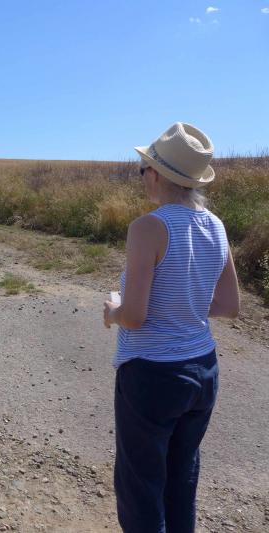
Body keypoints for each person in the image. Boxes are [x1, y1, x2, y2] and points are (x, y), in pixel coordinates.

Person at [103, 123, 240, 533]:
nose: (142, 176)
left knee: (141, 490)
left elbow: (135, 317)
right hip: (203, 370)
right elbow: (230, 306)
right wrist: (186, 306)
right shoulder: (216, 226)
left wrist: (112, 311)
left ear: (157, 174)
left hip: (152, 375)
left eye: (143, 169)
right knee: (182, 480)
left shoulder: (148, 228)